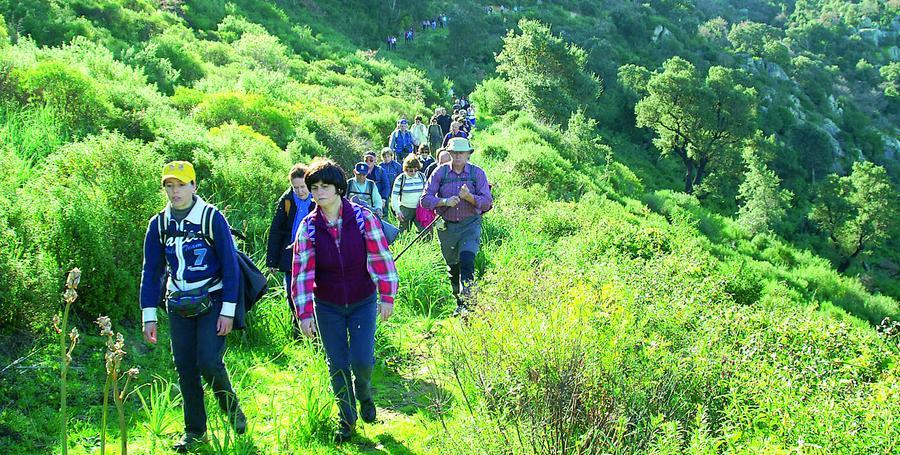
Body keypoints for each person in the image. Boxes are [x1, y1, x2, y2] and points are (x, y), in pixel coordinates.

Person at [140, 161, 246, 452]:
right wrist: (149, 315)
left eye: (181, 185)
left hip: (212, 299)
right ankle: (195, 432)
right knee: (185, 368)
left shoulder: (211, 217)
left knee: (209, 361)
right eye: (169, 186)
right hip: (177, 303)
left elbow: (230, 266)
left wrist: (228, 310)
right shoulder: (159, 224)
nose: (175, 192)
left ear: (194, 186)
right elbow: (151, 271)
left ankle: (231, 409)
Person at [291, 158, 398, 442]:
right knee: (337, 363)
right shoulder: (308, 228)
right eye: (314, 188)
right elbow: (301, 273)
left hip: (363, 301)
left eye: (325, 186)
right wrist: (304, 313)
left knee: (362, 360)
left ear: (339, 188)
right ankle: (347, 419)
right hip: (327, 305)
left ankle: (363, 392)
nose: (319, 192)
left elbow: (381, 257)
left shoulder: (363, 219)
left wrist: (387, 295)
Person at [421, 139, 493, 316]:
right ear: (450, 153)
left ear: (468, 154)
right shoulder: (440, 172)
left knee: (467, 262)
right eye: (455, 152)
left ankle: (469, 304)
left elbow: (487, 202)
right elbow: (425, 199)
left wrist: (469, 198)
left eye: (462, 152)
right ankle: (458, 301)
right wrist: (444, 201)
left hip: (470, 225)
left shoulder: (477, 173)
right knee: (453, 267)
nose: (458, 156)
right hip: (447, 228)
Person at [266, 163, 315, 340]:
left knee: (312, 293)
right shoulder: (286, 201)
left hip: (313, 255)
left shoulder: (318, 200)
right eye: (296, 187)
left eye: (303, 186)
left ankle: (315, 331)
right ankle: (298, 330)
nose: (300, 191)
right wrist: (272, 261)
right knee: (292, 293)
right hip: (290, 256)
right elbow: (276, 231)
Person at [390, 155, 426, 233]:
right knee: (403, 233)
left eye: (415, 170)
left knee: (425, 232)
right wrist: (397, 211)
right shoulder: (401, 178)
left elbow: (426, 193)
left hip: (420, 209)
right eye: (410, 171)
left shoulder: (422, 176)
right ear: (405, 169)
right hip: (405, 209)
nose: (413, 172)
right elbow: (394, 196)